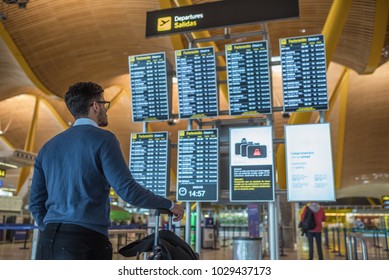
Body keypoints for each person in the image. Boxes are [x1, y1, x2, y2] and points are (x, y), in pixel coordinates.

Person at [29, 81, 184, 260]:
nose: (106, 109)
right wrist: (169, 205)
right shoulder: (104, 139)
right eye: (104, 104)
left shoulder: (48, 147)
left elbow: (35, 202)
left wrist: (49, 227)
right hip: (85, 240)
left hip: (47, 241)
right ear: (95, 106)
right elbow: (128, 191)